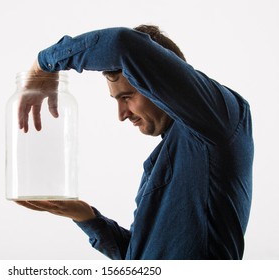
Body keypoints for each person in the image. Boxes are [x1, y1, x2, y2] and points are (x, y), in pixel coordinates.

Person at [16, 25, 254, 260]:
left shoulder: (221, 119)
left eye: (127, 97)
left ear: (160, 81)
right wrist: (86, 216)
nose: (121, 114)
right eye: (116, 100)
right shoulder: (163, 160)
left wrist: (43, 65)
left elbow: (122, 44)